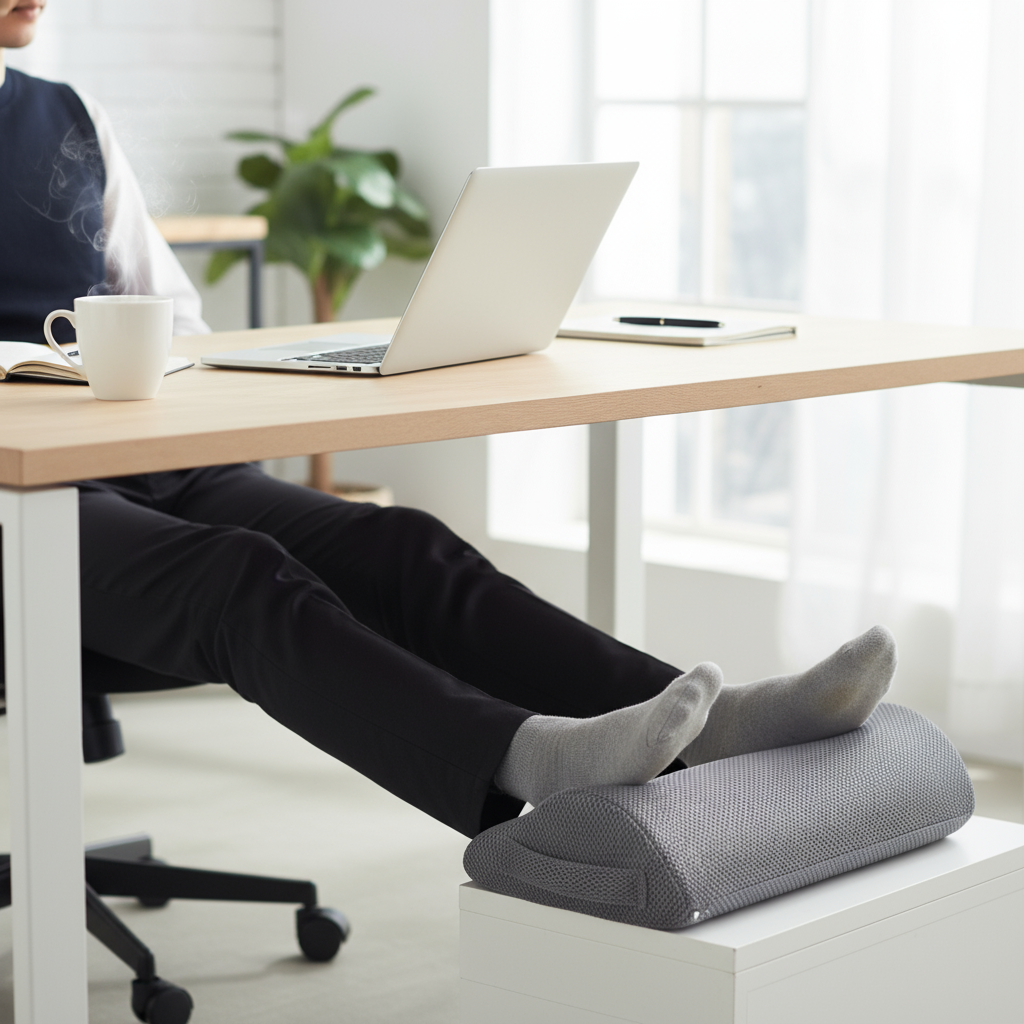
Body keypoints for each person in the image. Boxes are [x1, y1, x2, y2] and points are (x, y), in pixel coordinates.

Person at [0, 0, 898, 839]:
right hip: (16, 500)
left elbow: (171, 315)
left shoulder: (71, 118)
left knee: (399, 549)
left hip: (123, 449)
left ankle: (716, 726)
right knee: (235, 577)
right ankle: (527, 760)